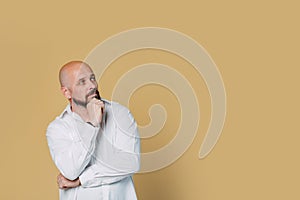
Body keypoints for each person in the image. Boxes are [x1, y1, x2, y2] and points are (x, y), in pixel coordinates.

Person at [46, 61, 140, 200]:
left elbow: (131, 163)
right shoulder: (58, 128)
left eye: (92, 78)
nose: (92, 85)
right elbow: (71, 171)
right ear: (67, 92)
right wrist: (92, 125)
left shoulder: (120, 114)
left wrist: (81, 180)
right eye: (82, 82)